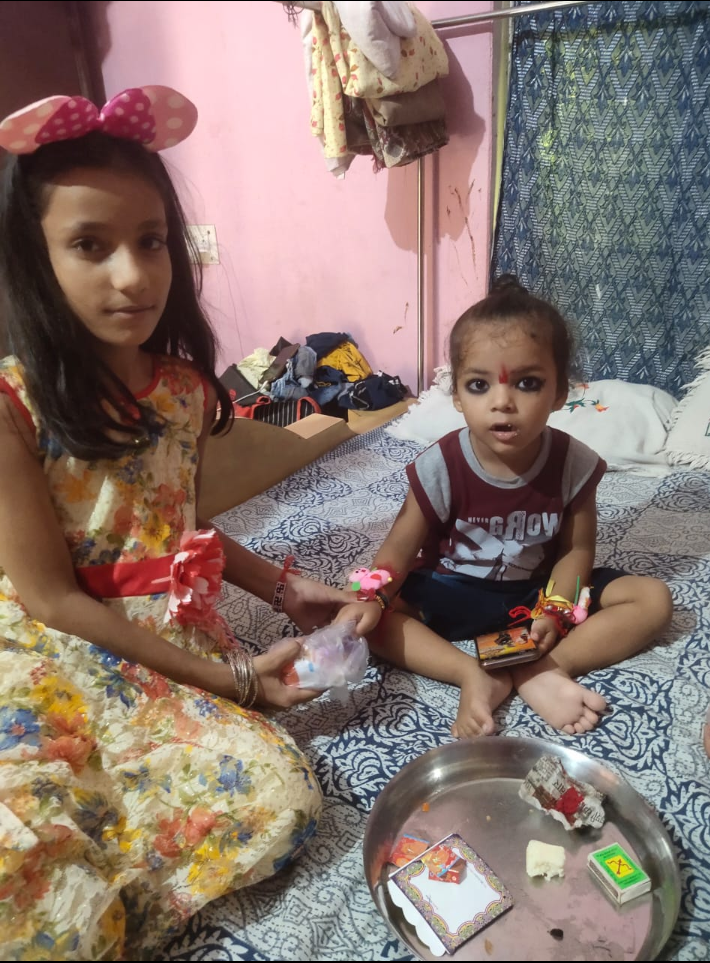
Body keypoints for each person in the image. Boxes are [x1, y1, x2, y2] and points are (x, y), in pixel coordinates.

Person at [0, 87, 347, 960]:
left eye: (150, 241)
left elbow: (175, 531)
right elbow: (49, 597)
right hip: (49, 644)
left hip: (165, 638)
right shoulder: (12, 404)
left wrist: (284, 587)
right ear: (36, 258)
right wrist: (234, 679)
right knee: (35, 835)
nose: (133, 275)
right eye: (90, 245)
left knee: (286, 796)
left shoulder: (186, 392)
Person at [337, 276, 673, 740]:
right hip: (450, 594)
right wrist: (373, 599)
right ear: (457, 395)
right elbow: (397, 549)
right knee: (360, 614)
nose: (502, 402)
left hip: (536, 596)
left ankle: (542, 669)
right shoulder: (440, 465)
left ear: (561, 393)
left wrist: (556, 610)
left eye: (528, 383)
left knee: (652, 598)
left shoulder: (574, 464)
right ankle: (471, 673)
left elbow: (576, 550)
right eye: (479, 385)